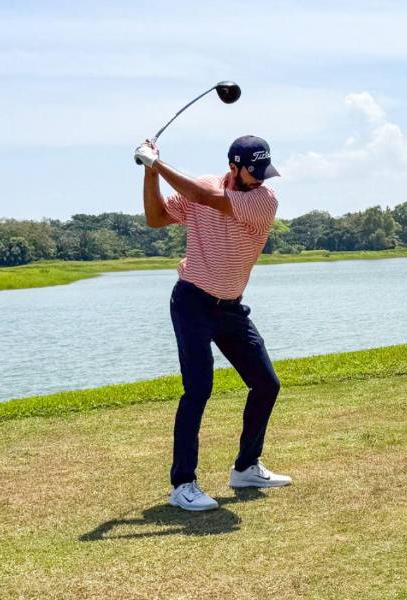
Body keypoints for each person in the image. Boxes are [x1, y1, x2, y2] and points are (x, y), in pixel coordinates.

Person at [135, 135, 292, 511]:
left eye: (262, 173)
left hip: (231, 308)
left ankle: (246, 467)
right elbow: (156, 218)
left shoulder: (263, 201)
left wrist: (157, 163)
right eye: (252, 173)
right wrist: (149, 172)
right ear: (233, 167)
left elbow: (207, 199)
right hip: (192, 301)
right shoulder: (204, 185)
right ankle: (183, 484)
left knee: (266, 384)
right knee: (198, 388)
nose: (260, 180)